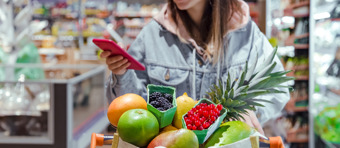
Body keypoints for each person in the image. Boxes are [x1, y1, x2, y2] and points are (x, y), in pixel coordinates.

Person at [100, 0, 290, 134]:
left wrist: (250, 108)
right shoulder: (153, 35)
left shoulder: (246, 34)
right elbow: (130, 109)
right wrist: (121, 73)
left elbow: (278, 87)